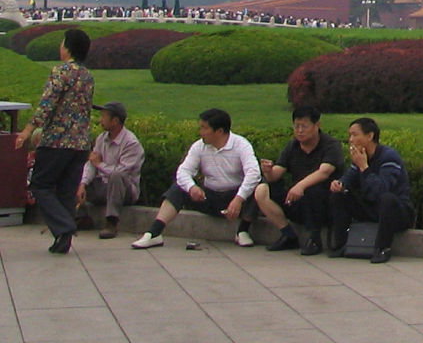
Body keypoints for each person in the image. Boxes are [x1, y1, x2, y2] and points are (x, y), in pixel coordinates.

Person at [131, 108, 259, 249]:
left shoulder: (241, 145)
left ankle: (243, 231)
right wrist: (192, 188)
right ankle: (154, 233)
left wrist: (239, 199)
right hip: (210, 196)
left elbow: (253, 173)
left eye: (205, 128)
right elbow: (183, 171)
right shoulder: (199, 146)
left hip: (236, 198)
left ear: (219, 131)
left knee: (260, 187)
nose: (201, 132)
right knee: (179, 187)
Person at [14, 27, 94, 254]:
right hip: (80, 144)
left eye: (62, 42)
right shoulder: (87, 76)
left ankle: (65, 226)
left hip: (57, 141)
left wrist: (28, 130)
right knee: (66, 193)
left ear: (68, 47)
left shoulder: (61, 72)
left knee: (40, 185)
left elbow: (47, 105)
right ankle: (63, 240)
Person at [253, 105, 342, 255]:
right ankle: (288, 234)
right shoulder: (292, 146)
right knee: (263, 190)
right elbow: (276, 174)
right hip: (297, 200)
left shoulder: (331, 144)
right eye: (296, 126)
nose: (299, 131)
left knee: (312, 189)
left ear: (316, 125)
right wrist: (268, 171)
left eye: (304, 126)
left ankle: (314, 239)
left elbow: (324, 172)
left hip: (322, 202)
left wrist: (300, 186)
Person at [327, 117, 412, 264]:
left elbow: (381, 190)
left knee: (387, 199)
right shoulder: (361, 157)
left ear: (370, 136)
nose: (351, 140)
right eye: (349, 135)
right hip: (372, 208)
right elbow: (349, 178)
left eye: (355, 135)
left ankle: (382, 248)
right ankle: (341, 244)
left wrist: (364, 167)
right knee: (339, 196)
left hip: (396, 212)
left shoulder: (389, 157)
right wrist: (339, 184)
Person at [75, 100, 144, 239]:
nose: (100, 120)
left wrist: (100, 164)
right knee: (75, 170)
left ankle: (111, 223)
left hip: (124, 190)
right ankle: (81, 217)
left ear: (115, 121)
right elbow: (91, 163)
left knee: (116, 176)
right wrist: (83, 184)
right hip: (102, 185)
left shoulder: (131, 143)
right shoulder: (101, 139)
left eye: (104, 116)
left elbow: (123, 171)